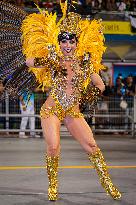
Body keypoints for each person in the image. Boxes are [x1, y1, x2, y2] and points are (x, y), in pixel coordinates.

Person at [0, 0, 121, 202]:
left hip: (73, 113)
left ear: (76, 43)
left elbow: (100, 84)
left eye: (71, 41)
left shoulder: (85, 63)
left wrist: (87, 97)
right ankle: (53, 186)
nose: (67, 45)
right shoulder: (53, 59)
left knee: (92, 146)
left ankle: (108, 184)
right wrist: (48, 59)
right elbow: (29, 61)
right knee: (54, 147)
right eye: (63, 41)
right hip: (52, 111)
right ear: (59, 42)